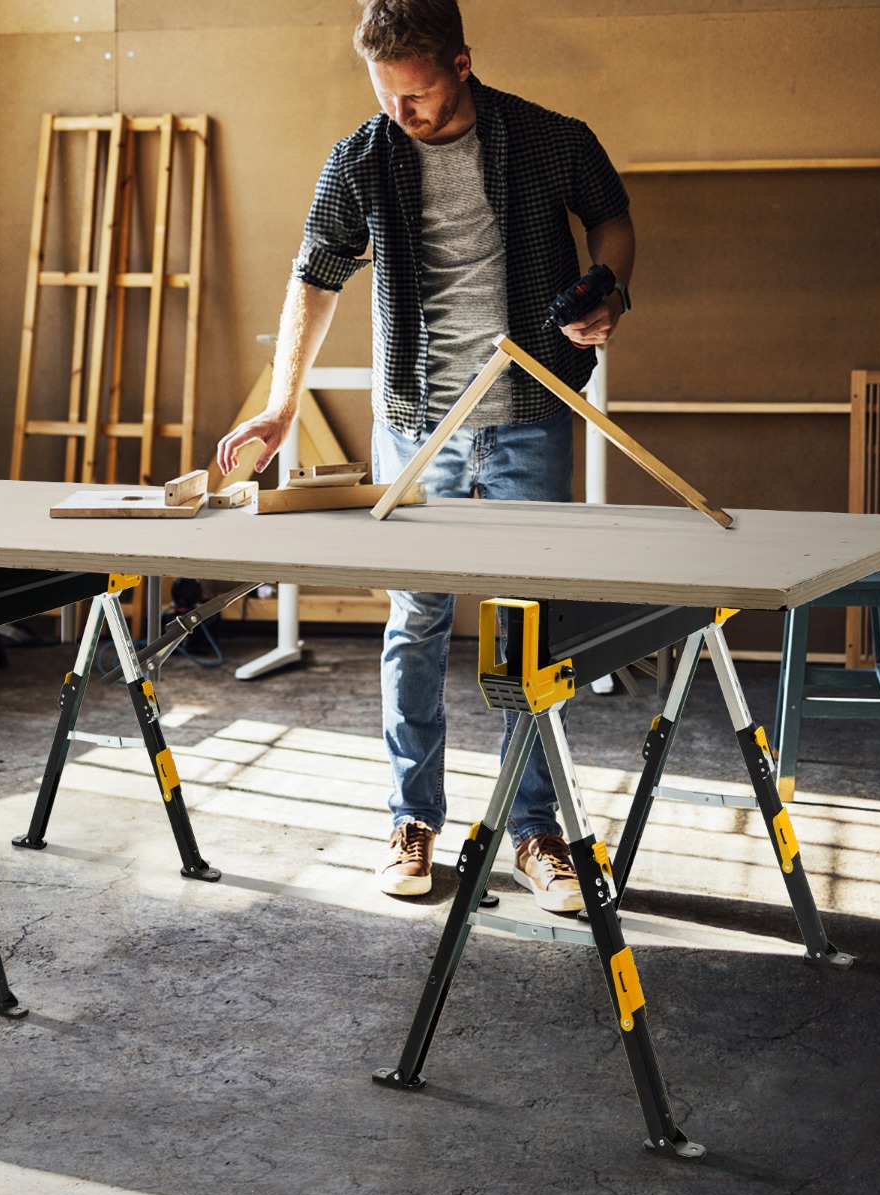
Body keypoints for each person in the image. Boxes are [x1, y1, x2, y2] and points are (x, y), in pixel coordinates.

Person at [216, 0, 634, 911]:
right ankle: (412, 820)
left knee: (529, 626)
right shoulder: (361, 158)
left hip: (530, 412)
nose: (400, 113)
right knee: (415, 622)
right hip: (416, 424)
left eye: (416, 96)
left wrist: (609, 287)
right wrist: (282, 405)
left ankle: (536, 831)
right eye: (385, 95)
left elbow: (611, 215)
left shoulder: (547, 136)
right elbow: (314, 278)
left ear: (462, 65)